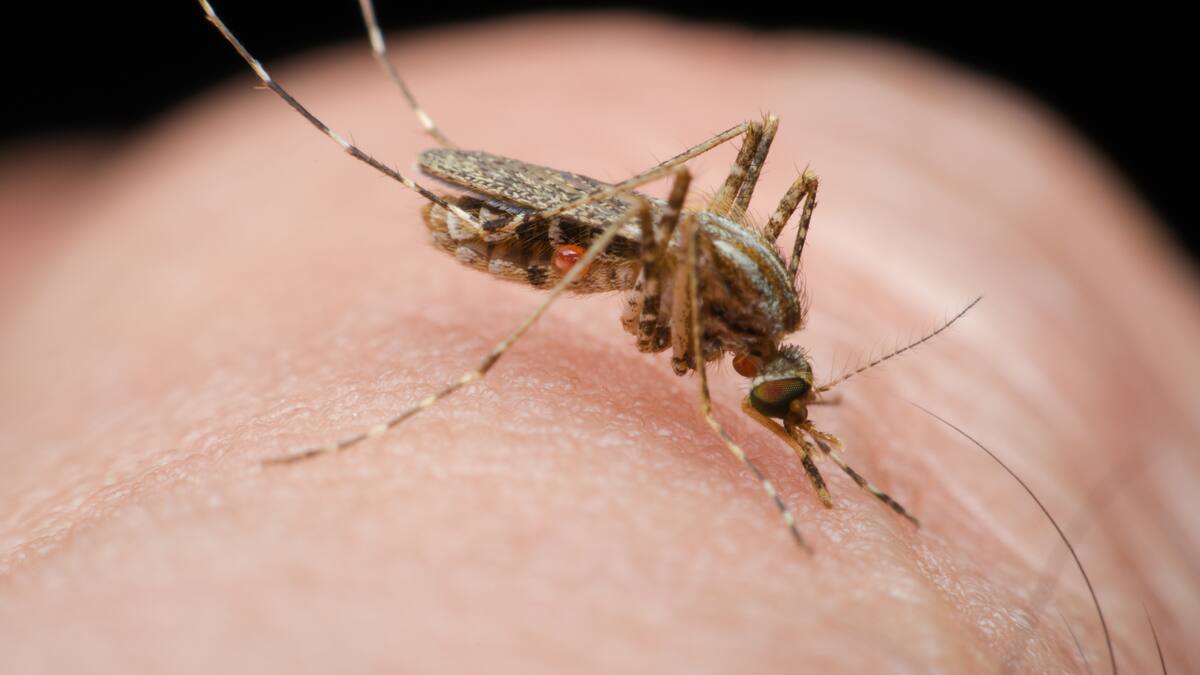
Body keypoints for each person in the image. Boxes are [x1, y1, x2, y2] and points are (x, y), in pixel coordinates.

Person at [1, 16, 1194, 673]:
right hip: (597, 242)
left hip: (630, 243)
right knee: (706, 196)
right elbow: (706, 228)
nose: (794, 403)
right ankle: (474, 323)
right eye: (781, 402)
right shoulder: (748, 319)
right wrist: (717, 407)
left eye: (781, 405)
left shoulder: (775, 328)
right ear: (760, 374)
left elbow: (778, 202)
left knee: (756, 174)